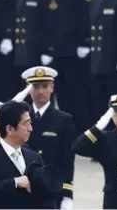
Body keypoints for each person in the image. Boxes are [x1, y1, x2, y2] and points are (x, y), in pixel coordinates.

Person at [0, 101, 56, 209]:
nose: (30, 128)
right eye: (26, 124)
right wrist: (15, 182)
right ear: (10, 129)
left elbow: (45, 199)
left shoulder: (33, 157)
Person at [46, 0, 92, 131]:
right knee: (60, 93)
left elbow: (86, 14)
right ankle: (64, 129)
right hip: (57, 46)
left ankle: (79, 129)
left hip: (74, 47)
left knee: (76, 93)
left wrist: (84, 41)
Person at [21, 66, 77, 209]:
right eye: (36, 86)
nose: (40, 91)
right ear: (29, 89)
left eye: (45, 86)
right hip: (23, 188)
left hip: (51, 190)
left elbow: (67, 161)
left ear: (52, 88)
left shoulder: (63, 120)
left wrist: (67, 194)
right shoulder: (19, 118)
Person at [8, 0, 52, 88]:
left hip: (37, 51)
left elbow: (51, 23)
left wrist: (48, 50)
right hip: (22, 51)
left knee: (40, 94)